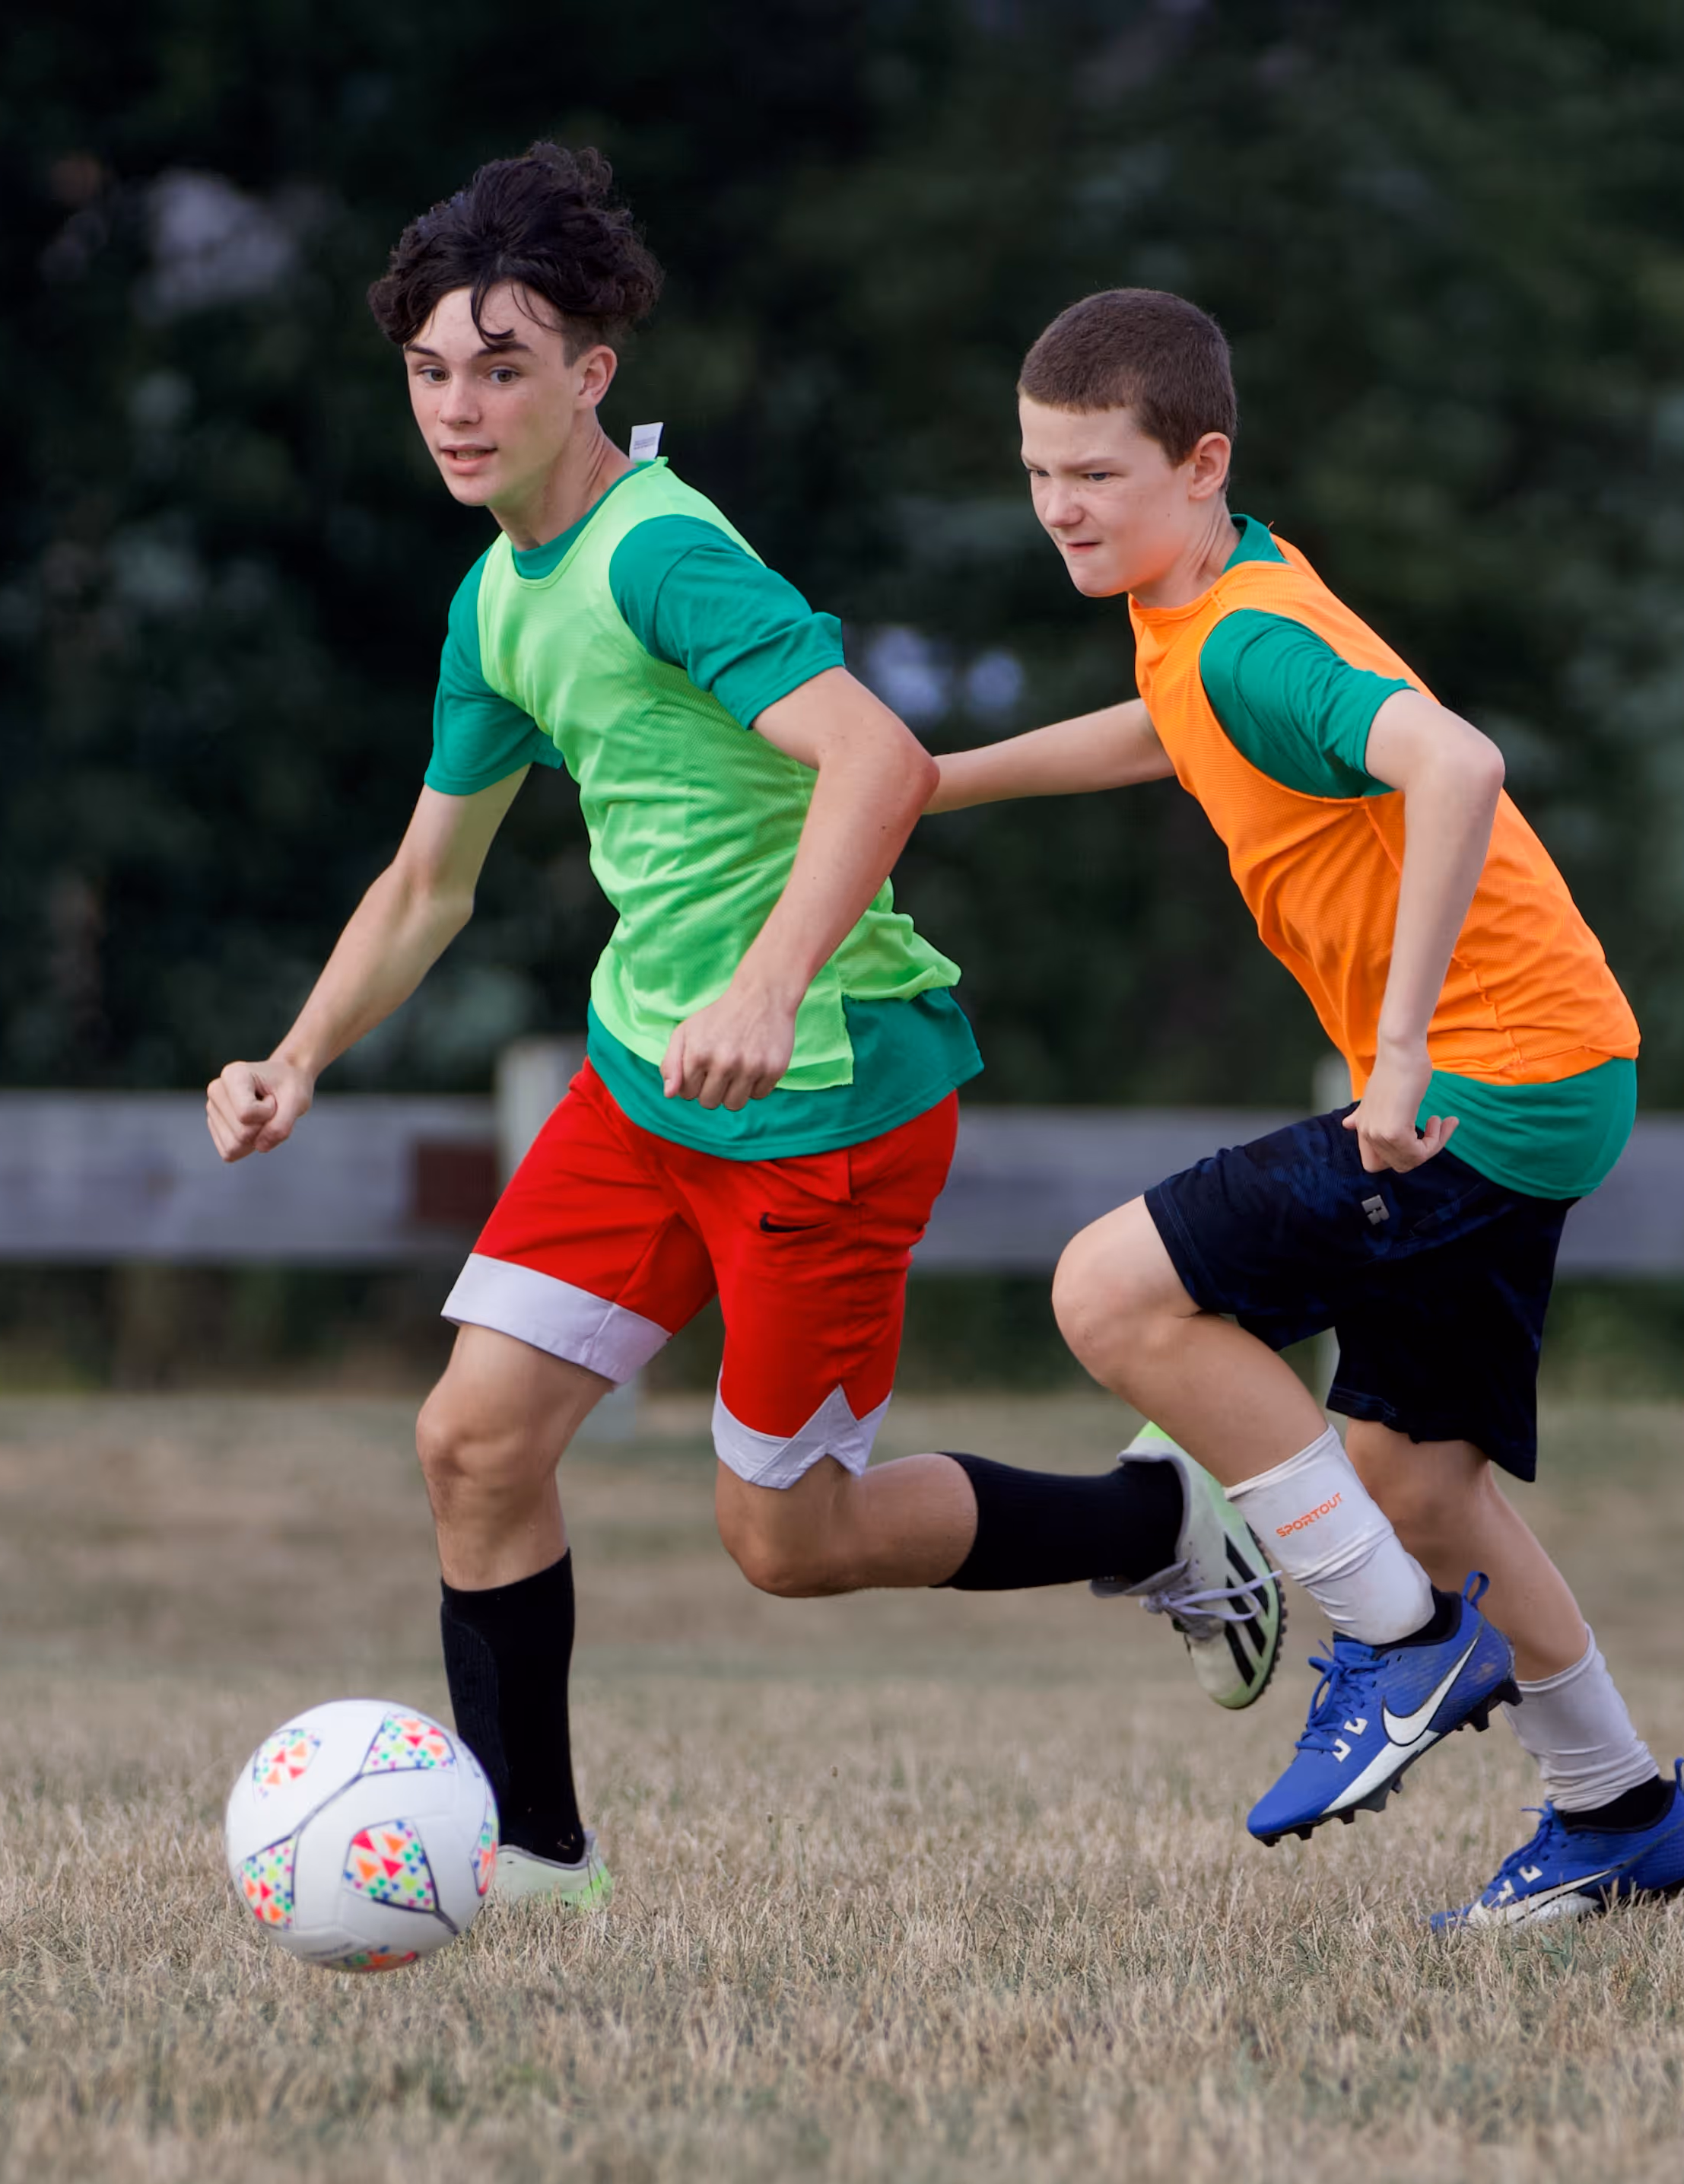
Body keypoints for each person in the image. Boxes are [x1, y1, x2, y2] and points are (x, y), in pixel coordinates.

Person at [205, 151, 1281, 1911]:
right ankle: (532, 1858)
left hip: (826, 1092)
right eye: (431, 371)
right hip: (648, 1087)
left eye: (504, 365)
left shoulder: (663, 557)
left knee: (791, 1543)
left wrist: (772, 984)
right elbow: (426, 883)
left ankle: (1165, 1526)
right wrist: (299, 1054)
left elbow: (882, 757)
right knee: (473, 1443)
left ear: (589, 377)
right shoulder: (498, 598)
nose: (461, 408)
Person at [923, 288, 1684, 1928]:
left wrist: (1406, 1054)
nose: (1059, 508)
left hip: (1485, 1090)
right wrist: (940, 780)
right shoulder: (1207, 606)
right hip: (1562, 1070)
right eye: (1037, 473)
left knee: (1111, 1290)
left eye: (1095, 474)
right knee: (1419, 1486)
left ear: (1202, 461)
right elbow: (1179, 729)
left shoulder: (1250, 631)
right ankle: (1621, 1810)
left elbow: (1460, 764)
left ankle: (1399, 1642)